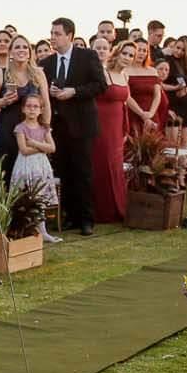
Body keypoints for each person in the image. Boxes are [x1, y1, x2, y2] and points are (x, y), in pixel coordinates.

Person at [42, 18, 107, 237]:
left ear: (69, 36)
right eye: (51, 33)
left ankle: (86, 219)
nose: (53, 37)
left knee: (83, 173)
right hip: (59, 127)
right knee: (64, 172)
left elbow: (100, 85)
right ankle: (69, 216)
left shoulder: (87, 56)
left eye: (57, 33)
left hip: (82, 125)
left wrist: (74, 92)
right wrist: (50, 92)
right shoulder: (47, 63)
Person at [0, 35, 47, 177]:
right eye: (17, 47)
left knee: (32, 174)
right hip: (8, 130)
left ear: (30, 52)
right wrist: (3, 101)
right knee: (8, 171)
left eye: (25, 47)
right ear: (11, 51)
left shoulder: (38, 74)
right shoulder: (1, 73)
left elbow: (46, 104)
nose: (22, 50)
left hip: (32, 131)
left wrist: (46, 129)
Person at [9, 92, 60, 243]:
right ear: (23, 109)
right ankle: (25, 230)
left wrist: (35, 144)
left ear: (41, 110)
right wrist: (42, 147)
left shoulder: (44, 128)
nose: (32, 109)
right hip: (26, 165)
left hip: (41, 166)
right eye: (29, 106)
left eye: (35, 106)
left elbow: (52, 148)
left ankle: (43, 231)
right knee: (26, 196)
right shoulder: (20, 128)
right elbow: (24, 150)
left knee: (40, 197)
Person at [92, 37, 132, 224]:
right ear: (116, 53)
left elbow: (125, 102)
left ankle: (119, 207)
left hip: (118, 125)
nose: (128, 57)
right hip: (102, 124)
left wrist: (126, 127)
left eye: (131, 55)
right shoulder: (103, 74)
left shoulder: (125, 76)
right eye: (125, 53)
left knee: (116, 164)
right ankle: (102, 211)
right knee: (103, 164)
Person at [124, 38, 162, 138]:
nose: (141, 53)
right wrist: (142, 114)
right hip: (133, 114)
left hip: (152, 113)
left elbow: (157, 95)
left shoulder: (153, 71)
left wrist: (151, 113)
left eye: (144, 50)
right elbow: (127, 96)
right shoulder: (125, 71)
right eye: (139, 50)